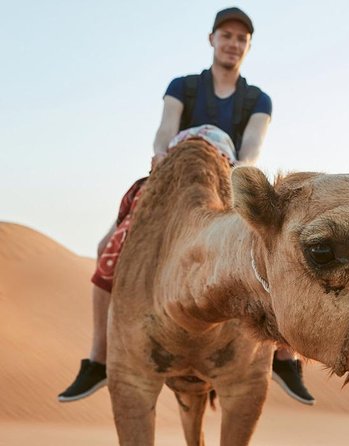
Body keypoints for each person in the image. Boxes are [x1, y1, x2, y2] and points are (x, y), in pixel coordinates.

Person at [58, 6, 315, 406]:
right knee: (108, 248)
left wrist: (234, 173)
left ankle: (284, 355)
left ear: (248, 47)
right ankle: (99, 359)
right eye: (226, 36)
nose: (233, 44)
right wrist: (163, 155)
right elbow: (163, 133)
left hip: (227, 180)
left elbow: (252, 151)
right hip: (174, 180)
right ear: (212, 40)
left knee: (268, 248)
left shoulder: (256, 99)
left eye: (240, 39)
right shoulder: (184, 87)